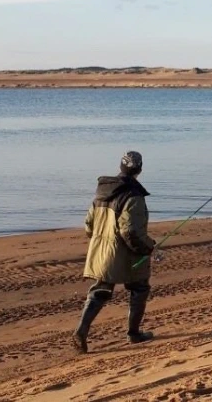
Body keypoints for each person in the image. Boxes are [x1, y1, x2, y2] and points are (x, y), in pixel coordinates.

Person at [73, 151, 157, 354]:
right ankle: (134, 333)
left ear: (121, 167)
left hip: (101, 251)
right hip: (126, 253)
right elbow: (130, 231)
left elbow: (89, 226)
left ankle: (81, 331)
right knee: (139, 288)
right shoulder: (133, 196)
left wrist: (100, 241)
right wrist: (147, 248)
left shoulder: (102, 192)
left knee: (100, 290)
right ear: (139, 169)